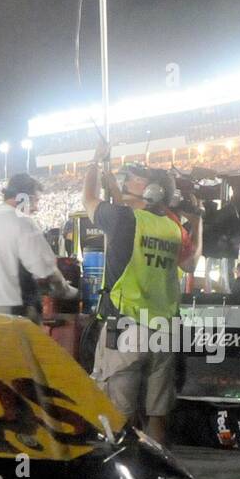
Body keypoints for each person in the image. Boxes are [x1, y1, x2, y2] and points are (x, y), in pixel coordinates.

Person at [81, 154, 185, 443]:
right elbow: (129, 213)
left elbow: (88, 198)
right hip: (164, 331)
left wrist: (92, 165)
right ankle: (158, 477)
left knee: (116, 416)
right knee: (157, 415)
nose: (132, 179)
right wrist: (113, 184)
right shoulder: (172, 227)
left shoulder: (124, 219)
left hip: (127, 329)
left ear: (152, 191)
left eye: (139, 178)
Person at [0, 173, 76, 319]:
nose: (36, 208)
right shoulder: (23, 223)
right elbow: (45, 269)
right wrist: (69, 291)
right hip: (15, 314)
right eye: (35, 201)